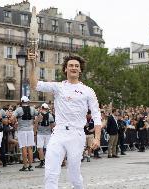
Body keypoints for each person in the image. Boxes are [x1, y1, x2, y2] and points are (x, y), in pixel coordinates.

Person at [29, 54, 101, 189]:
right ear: (65, 69)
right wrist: (32, 63)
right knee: (51, 172)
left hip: (77, 135)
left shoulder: (88, 91)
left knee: (74, 175)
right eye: (71, 65)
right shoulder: (58, 87)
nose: (74, 68)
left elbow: (97, 116)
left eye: (76, 66)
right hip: (59, 133)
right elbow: (34, 85)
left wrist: (97, 138)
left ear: (80, 70)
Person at [14, 96, 38, 171]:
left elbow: (12, 117)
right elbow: (39, 116)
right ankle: (30, 165)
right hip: (30, 130)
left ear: (21, 102)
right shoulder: (32, 109)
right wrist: (34, 123)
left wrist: (16, 122)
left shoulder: (19, 109)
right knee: (30, 148)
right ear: (28, 102)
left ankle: (25, 166)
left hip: (22, 130)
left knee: (24, 148)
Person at [35, 103, 55, 168]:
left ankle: (42, 162)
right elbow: (52, 125)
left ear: (42, 108)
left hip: (40, 133)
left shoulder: (39, 115)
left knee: (40, 148)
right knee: (47, 148)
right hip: (48, 133)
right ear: (47, 109)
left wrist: (35, 132)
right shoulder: (50, 115)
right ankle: (47, 162)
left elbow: (36, 124)